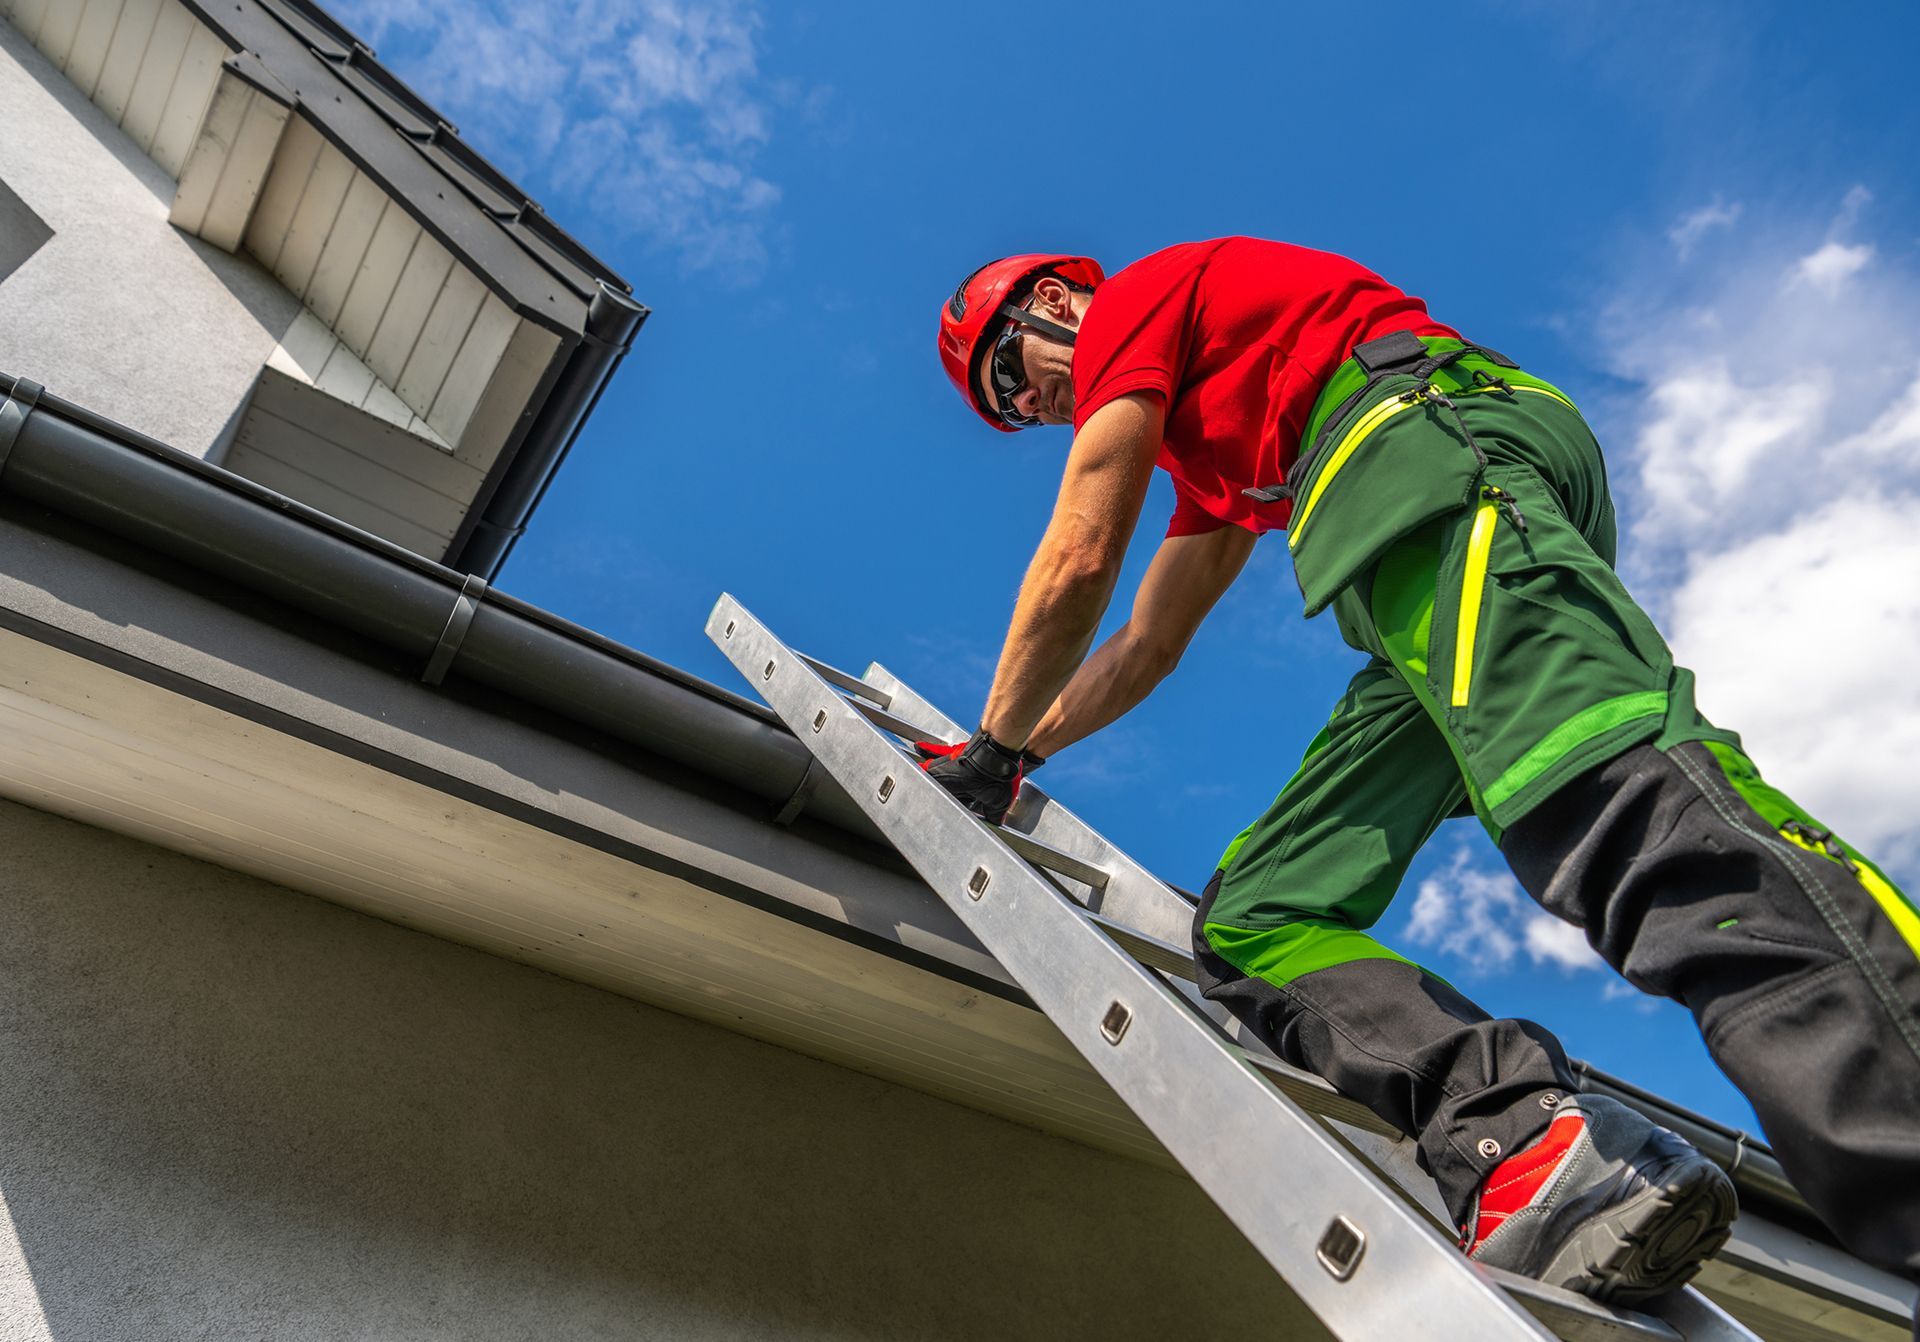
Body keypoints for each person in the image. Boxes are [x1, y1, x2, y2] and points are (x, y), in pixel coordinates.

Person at [923, 239, 1920, 1304]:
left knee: (1601, 796)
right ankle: (1528, 1145)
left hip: (1432, 451)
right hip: (1405, 522)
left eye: (1007, 366)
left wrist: (985, 748)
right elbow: (1148, 643)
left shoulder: (1137, 306)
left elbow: (1081, 551)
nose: (1025, 400)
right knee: (1257, 916)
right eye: (1006, 407)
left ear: (1056, 297)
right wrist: (1019, 752)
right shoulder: (1213, 457)